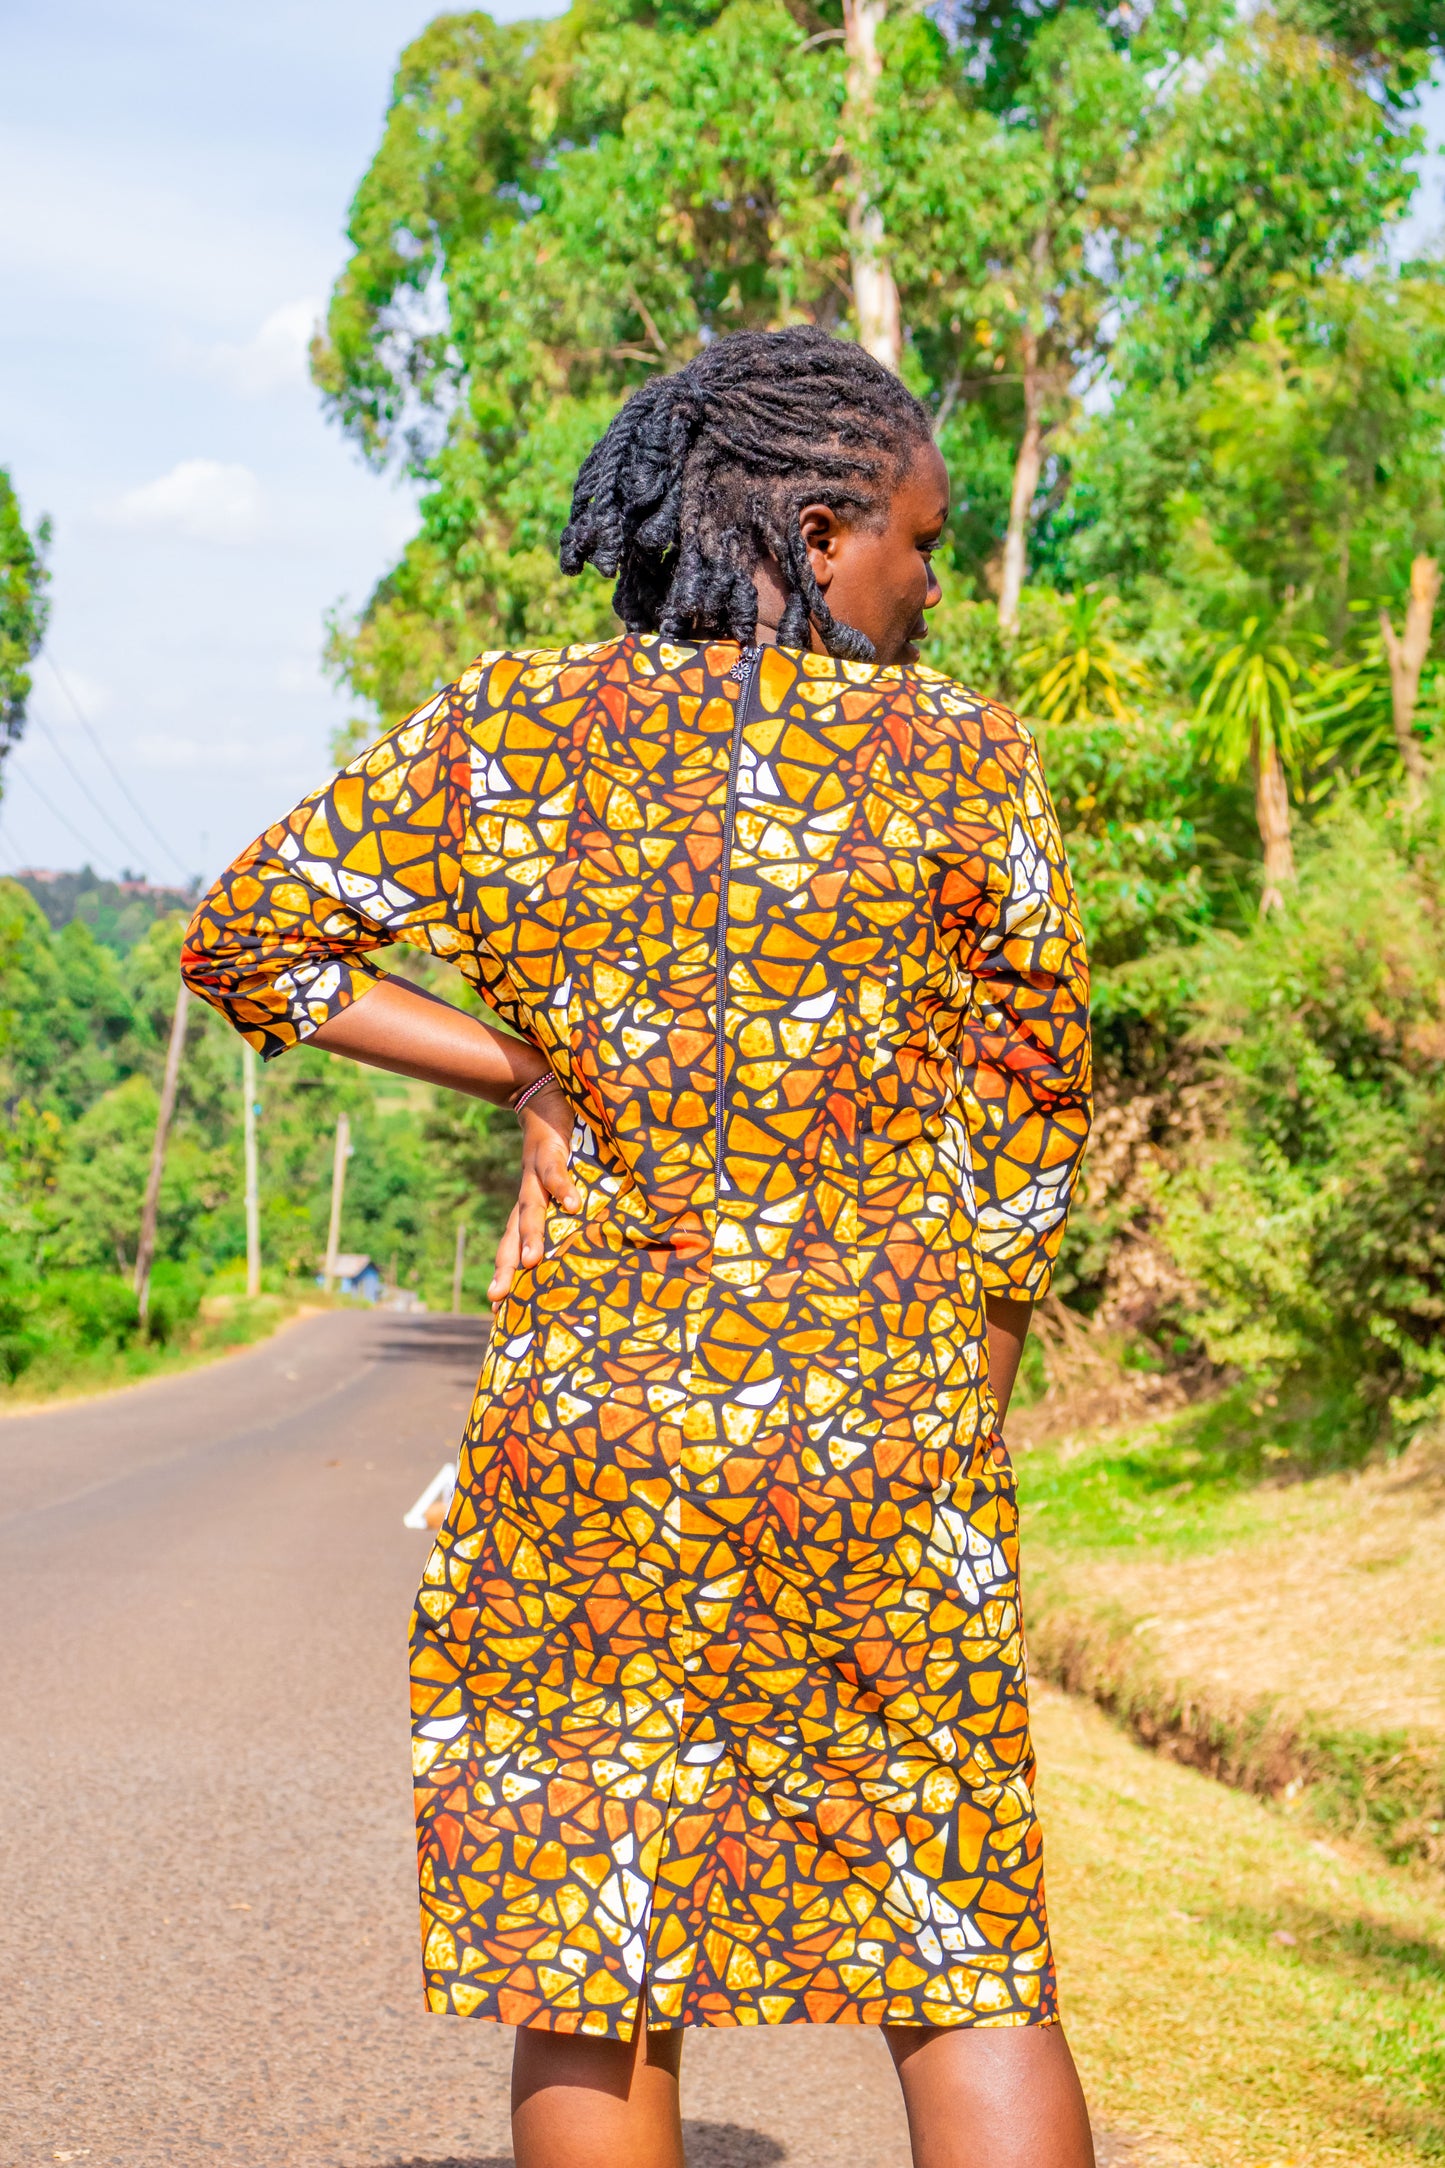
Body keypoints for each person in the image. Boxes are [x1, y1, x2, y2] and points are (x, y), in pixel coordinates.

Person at [182, 325, 1094, 2168]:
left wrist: (526, 1061)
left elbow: (248, 941)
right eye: (918, 544)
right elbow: (1028, 1096)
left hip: (594, 1424)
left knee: (590, 1950)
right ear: (822, 532)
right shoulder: (956, 756)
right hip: (877, 1427)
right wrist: (952, 1401)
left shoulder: (511, 723)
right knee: (960, 1947)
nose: (929, 586)